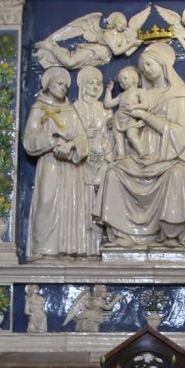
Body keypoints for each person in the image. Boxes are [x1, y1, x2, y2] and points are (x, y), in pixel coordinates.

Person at [94, 43, 185, 248]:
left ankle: (170, 235)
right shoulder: (142, 94)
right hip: (140, 155)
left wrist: (146, 116)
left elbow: (181, 133)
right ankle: (123, 234)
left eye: (149, 64)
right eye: (142, 67)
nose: (146, 70)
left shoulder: (179, 94)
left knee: (177, 175)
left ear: (162, 64)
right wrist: (118, 122)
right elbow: (126, 120)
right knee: (113, 174)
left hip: (170, 157)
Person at [23, 67, 95, 259]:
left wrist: (71, 145)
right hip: (50, 162)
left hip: (72, 167)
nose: (63, 87)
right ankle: (43, 248)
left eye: (65, 85)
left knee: (70, 205)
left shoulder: (71, 110)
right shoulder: (39, 109)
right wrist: (52, 140)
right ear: (48, 85)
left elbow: (82, 138)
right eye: (59, 83)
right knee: (47, 201)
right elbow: (29, 141)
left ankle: (66, 249)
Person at [72, 67, 112, 257]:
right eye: (91, 83)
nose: (95, 87)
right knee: (85, 202)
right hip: (82, 163)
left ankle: (101, 243)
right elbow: (68, 132)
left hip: (102, 159)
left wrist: (107, 133)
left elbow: (111, 134)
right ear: (82, 85)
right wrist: (84, 135)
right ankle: (84, 246)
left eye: (98, 84)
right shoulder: (75, 108)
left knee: (102, 198)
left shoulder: (104, 110)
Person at [103, 66, 147, 161]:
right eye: (120, 81)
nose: (122, 81)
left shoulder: (138, 92)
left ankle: (142, 152)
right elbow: (108, 104)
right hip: (118, 120)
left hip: (131, 120)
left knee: (132, 135)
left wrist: (134, 106)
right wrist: (108, 91)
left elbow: (146, 105)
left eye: (125, 78)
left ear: (134, 79)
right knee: (118, 137)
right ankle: (121, 154)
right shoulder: (121, 95)